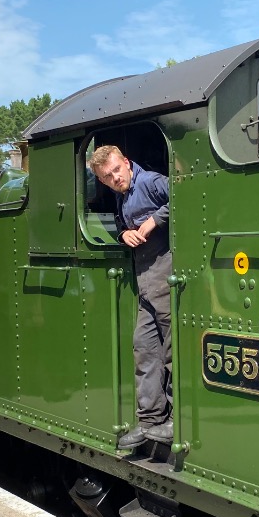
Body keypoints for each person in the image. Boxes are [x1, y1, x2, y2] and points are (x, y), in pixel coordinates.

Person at [89, 144, 172, 453]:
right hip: (145, 281)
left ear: (126, 162)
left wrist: (153, 221)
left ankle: (177, 420)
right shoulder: (122, 196)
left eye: (116, 171)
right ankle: (150, 421)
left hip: (165, 276)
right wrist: (124, 232)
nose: (115, 179)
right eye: (107, 178)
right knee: (145, 350)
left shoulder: (150, 181)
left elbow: (185, 192)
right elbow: (124, 223)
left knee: (172, 352)